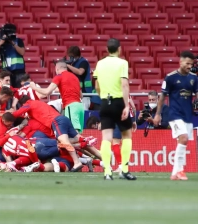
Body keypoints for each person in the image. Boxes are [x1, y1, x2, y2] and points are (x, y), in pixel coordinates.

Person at [13, 95, 92, 172]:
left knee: (63, 144)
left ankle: (80, 158)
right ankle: (90, 154)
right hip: (46, 142)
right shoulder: (38, 109)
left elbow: (21, 136)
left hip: (38, 147)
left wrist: (8, 118)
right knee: (64, 144)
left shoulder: (29, 119)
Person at [95, 38, 136, 180]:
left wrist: (103, 98)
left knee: (106, 137)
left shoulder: (100, 64)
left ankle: (107, 171)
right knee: (127, 135)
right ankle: (124, 170)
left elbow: (97, 85)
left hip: (105, 102)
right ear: (119, 49)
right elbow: (124, 84)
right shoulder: (122, 63)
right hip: (118, 101)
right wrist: (126, 105)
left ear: (107, 50)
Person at [153, 51, 198, 181]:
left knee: (183, 142)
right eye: (187, 63)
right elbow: (162, 98)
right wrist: (157, 114)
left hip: (188, 115)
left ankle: (175, 172)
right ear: (181, 61)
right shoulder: (170, 77)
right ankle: (180, 171)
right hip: (175, 114)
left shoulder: (194, 78)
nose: (190, 66)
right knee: (183, 138)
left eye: (192, 64)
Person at [30, 61, 84, 133]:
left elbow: (47, 92)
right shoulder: (75, 77)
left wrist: (34, 88)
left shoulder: (59, 76)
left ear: (57, 68)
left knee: (74, 132)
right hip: (80, 106)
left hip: (70, 106)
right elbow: (81, 95)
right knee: (79, 133)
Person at [0, 23, 25, 88]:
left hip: (18, 71)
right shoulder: (2, 42)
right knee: (7, 91)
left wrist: (13, 43)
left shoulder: (18, 41)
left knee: (18, 90)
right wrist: (0, 44)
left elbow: (22, 52)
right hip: (6, 71)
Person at [112, 96, 137, 174]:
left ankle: (121, 166)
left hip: (117, 117)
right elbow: (132, 107)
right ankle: (125, 166)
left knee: (115, 142)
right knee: (126, 141)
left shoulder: (113, 91)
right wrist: (133, 121)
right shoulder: (126, 91)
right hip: (127, 118)